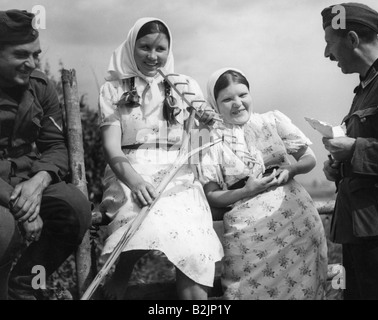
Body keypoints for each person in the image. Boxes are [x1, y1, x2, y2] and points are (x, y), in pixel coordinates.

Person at [97, 17, 223, 300]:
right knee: (142, 220)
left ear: (169, 50)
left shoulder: (185, 86)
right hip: (130, 169)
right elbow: (111, 149)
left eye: (160, 49)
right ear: (132, 47)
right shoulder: (113, 89)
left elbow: (197, 148)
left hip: (178, 171)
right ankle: (119, 277)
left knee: (194, 245)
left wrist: (205, 126)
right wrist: (135, 181)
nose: (153, 57)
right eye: (145, 47)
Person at [197, 68, 328, 300]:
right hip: (248, 236)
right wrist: (246, 191)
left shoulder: (272, 121)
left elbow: (310, 159)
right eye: (227, 99)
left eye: (243, 95)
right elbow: (213, 195)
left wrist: (291, 169)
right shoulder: (212, 141)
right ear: (215, 104)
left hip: (297, 224)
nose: (237, 103)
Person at [0, 9, 92, 300]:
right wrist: (19, 205)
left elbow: (54, 146)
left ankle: (24, 285)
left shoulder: (40, 87)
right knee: (3, 230)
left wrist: (38, 182)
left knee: (75, 208)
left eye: (36, 55)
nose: (31, 63)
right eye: (20, 55)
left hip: (25, 179)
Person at [321, 3, 378, 300]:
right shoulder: (364, 89)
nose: (327, 54)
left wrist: (354, 148)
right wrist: (337, 166)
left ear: (353, 40)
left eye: (330, 43)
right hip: (358, 229)